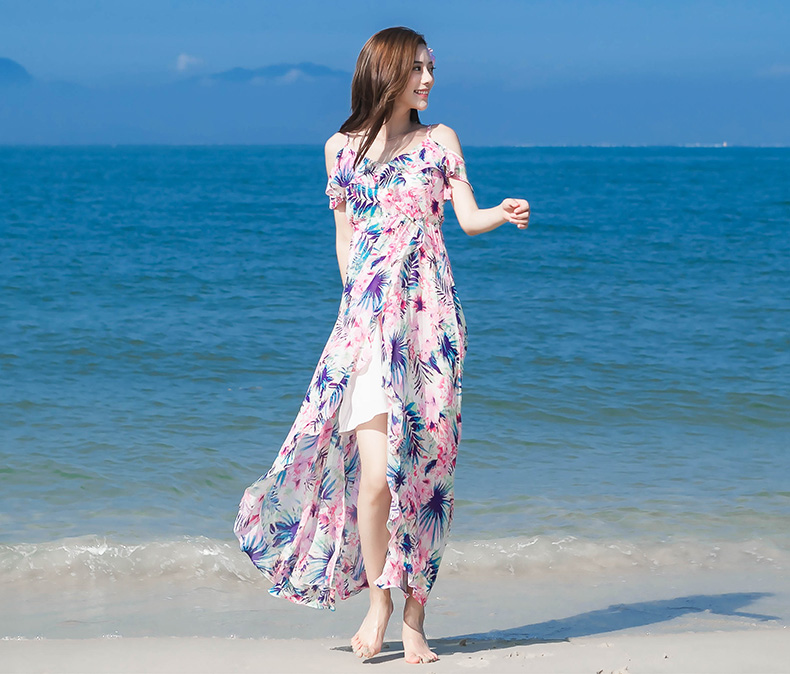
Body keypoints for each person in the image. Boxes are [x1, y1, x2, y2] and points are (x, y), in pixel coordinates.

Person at [234, 26, 529, 664]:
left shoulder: (440, 141)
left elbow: (467, 219)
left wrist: (501, 213)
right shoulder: (339, 150)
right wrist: (356, 311)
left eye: (431, 67)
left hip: (431, 328)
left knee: (426, 475)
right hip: (368, 331)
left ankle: (416, 618)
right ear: (387, 72)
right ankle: (379, 604)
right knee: (374, 481)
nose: (428, 79)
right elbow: (345, 241)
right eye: (416, 68)